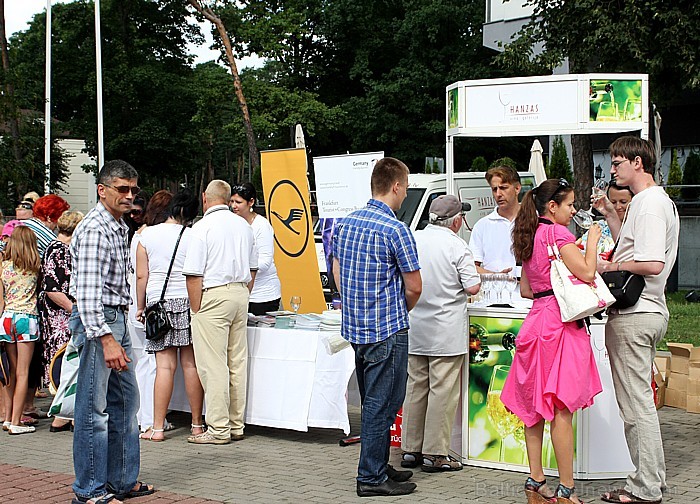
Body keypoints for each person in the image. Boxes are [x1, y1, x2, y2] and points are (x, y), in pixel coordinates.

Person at [501, 178, 603, 504]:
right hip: (561, 324)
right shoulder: (559, 234)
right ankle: (567, 490)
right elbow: (587, 273)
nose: (574, 211)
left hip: (535, 322)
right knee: (561, 408)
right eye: (571, 205)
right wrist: (593, 241)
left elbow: (526, 290)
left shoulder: (529, 235)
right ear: (553, 206)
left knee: (534, 406)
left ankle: (536, 480)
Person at [595, 137, 679, 504]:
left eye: (617, 162)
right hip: (645, 309)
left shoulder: (648, 204)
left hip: (636, 311)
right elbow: (636, 251)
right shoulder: (652, 203)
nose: (612, 169)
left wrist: (610, 266)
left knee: (636, 406)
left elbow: (650, 263)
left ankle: (644, 488)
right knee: (638, 403)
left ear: (637, 164)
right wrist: (612, 216)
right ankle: (650, 482)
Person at [332, 157, 422, 497]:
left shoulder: (346, 223)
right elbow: (414, 286)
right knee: (382, 405)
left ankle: (378, 465)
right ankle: (370, 476)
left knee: (374, 400)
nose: (406, 194)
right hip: (387, 329)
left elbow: (337, 271)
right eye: (406, 187)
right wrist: (397, 311)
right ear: (396, 186)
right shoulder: (396, 229)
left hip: (357, 328)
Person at [69, 160, 154, 504]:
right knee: (94, 409)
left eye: (133, 189)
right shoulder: (95, 229)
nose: (130, 195)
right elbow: (88, 292)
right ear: (102, 189)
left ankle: (120, 479)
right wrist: (105, 338)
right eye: (122, 189)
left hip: (113, 317)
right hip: (99, 321)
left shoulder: (118, 225)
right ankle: (89, 490)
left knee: (125, 403)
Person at [400, 195, 480, 473]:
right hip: (445, 329)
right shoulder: (457, 245)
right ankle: (435, 453)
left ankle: (410, 448)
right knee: (442, 392)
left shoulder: (413, 238)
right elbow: (472, 287)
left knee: (415, 388)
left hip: (415, 325)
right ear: (456, 221)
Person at [183, 180, 257, 445]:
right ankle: (236, 424)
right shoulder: (244, 226)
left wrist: (196, 308)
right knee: (237, 361)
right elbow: (253, 269)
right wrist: (244, 293)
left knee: (212, 365)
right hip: (239, 292)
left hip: (213, 294)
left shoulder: (201, 228)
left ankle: (218, 428)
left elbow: (193, 273)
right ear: (227, 199)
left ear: (205, 198)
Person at [136, 189, 205, 442]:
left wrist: (141, 307)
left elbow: (142, 275)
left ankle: (157, 428)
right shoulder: (194, 236)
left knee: (164, 366)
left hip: (159, 305)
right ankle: (197, 425)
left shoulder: (146, 235)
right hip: (187, 302)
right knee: (191, 365)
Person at [128, 189, 172, 434]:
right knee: (152, 363)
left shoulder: (140, 235)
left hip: (137, 304)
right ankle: (150, 417)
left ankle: (143, 415)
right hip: (148, 306)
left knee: (144, 363)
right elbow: (144, 274)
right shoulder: (152, 236)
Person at [37, 210, 84, 433]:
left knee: (65, 363)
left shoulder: (54, 248)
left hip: (58, 314)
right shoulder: (60, 250)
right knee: (67, 363)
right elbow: (52, 288)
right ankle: (66, 414)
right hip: (61, 316)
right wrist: (74, 309)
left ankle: (63, 415)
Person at [0, 226, 41, 434]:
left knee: (10, 372)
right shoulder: (35, 266)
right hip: (27, 318)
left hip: (6, 318)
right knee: (24, 372)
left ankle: (7, 417)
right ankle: (16, 421)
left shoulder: (4, 266)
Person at [230, 183, 282, 315]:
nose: (234, 206)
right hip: (239, 294)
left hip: (263, 296)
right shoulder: (233, 224)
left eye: (238, 202)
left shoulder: (261, 226)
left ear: (251, 202)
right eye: (231, 201)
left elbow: (264, 263)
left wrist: (237, 266)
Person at [469, 165, 521, 275]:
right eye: (494, 189)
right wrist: (496, 277)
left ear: (517, 188)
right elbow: (472, 267)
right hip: (494, 290)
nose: (498, 194)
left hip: (527, 291)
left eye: (503, 188)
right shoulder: (482, 225)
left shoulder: (533, 220)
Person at [581, 181, 634, 257]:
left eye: (623, 202)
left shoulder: (637, 229)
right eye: (613, 202)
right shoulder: (599, 227)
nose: (618, 207)